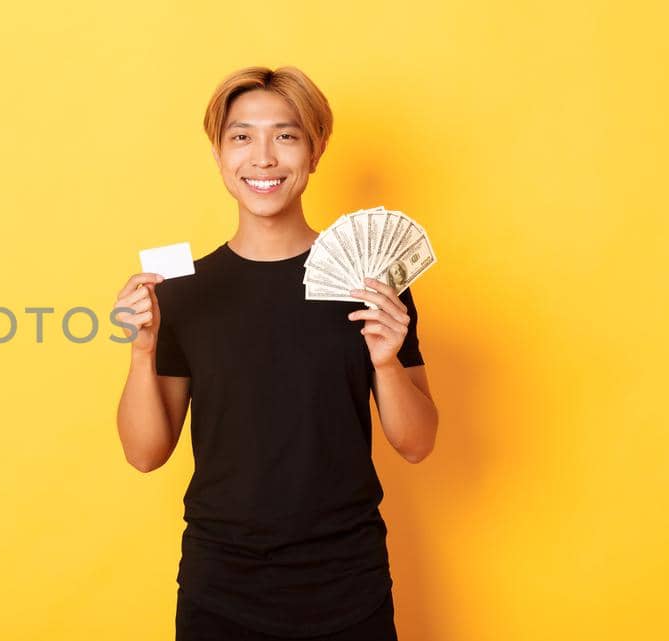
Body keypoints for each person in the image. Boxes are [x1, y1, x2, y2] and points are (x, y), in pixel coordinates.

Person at [111, 66, 440, 640]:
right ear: (218, 155)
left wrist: (386, 362)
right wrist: (142, 350)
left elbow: (417, 443)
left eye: (286, 135)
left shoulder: (371, 281)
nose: (263, 157)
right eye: (241, 136)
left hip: (348, 578)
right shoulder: (183, 292)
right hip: (221, 583)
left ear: (315, 152)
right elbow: (145, 454)